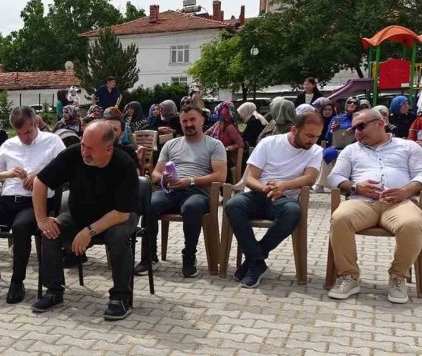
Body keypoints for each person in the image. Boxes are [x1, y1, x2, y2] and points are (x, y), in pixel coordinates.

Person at [32, 121, 139, 320]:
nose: (84, 151)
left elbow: (122, 213)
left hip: (117, 217)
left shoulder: (124, 164)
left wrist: (88, 232)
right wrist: (41, 219)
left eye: (90, 148)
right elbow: (40, 182)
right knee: (50, 231)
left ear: (108, 148)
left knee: (117, 237)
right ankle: (54, 291)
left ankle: (121, 297)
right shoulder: (73, 154)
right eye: (83, 145)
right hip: (79, 215)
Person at [0, 107, 66, 303]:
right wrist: (6, 174)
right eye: (19, 133)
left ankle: (17, 281)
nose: (24, 138)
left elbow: (66, 172)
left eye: (28, 132)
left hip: (36, 203)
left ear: (36, 123)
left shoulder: (52, 141)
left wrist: (40, 176)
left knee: (20, 227)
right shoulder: (9, 144)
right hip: (8, 200)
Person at [327, 109, 422, 304]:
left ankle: (398, 276)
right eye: (353, 128)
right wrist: (356, 186)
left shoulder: (408, 147)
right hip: (361, 201)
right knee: (340, 218)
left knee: (411, 223)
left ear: (380, 123)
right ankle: (349, 276)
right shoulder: (351, 150)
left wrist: (406, 190)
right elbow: (334, 177)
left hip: (398, 202)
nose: (356, 132)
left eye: (361, 126)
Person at [224, 112, 323, 287]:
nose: (312, 140)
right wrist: (265, 188)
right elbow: (249, 177)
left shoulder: (315, 151)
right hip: (258, 194)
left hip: (284, 198)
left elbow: (310, 178)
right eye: (308, 135)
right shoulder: (269, 143)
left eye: (316, 136)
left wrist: (283, 186)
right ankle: (257, 263)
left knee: (293, 211)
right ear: (294, 130)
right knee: (233, 205)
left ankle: (252, 262)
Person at [136, 107, 227, 278]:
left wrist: (190, 181)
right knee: (149, 204)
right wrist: (164, 178)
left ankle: (189, 257)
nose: (189, 124)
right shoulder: (171, 144)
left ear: (201, 120)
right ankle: (149, 257)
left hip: (198, 192)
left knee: (191, 208)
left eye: (192, 120)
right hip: (171, 190)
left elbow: (221, 176)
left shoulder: (214, 144)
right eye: (184, 121)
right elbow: (155, 173)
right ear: (180, 123)